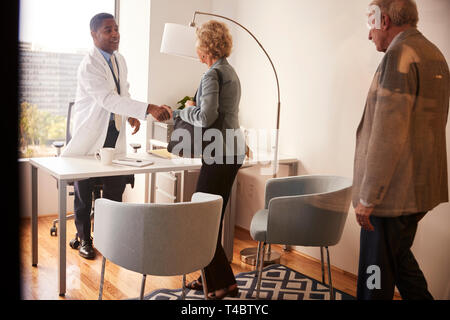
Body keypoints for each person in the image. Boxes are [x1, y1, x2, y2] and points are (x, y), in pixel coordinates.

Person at [353, 0, 449, 299]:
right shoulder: (434, 54)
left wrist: (368, 198)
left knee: (374, 276)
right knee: (400, 263)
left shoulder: (398, 56)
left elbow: (387, 135)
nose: (370, 36)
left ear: (384, 21)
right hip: (420, 189)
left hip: (390, 196)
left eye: (371, 26)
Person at [62, 13, 170, 259]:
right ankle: (84, 239)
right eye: (108, 30)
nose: (115, 34)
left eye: (116, 29)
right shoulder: (89, 65)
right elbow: (107, 99)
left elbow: (123, 91)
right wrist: (147, 109)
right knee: (84, 189)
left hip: (114, 131)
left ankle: (109, 236)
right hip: (91, 135)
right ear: (94, 34)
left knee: (115, 186)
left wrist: (131, 114)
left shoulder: (119, 59)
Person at [163, 20, 245, 299]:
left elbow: (205, 116)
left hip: (220, 152)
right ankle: (222, 281)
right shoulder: (230, 72)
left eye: (198, 44)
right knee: (211, 218)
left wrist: (185, 109)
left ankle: (221, 284)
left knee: (203, 219)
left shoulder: (211, 74)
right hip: (231, 149)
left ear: (204, 48)